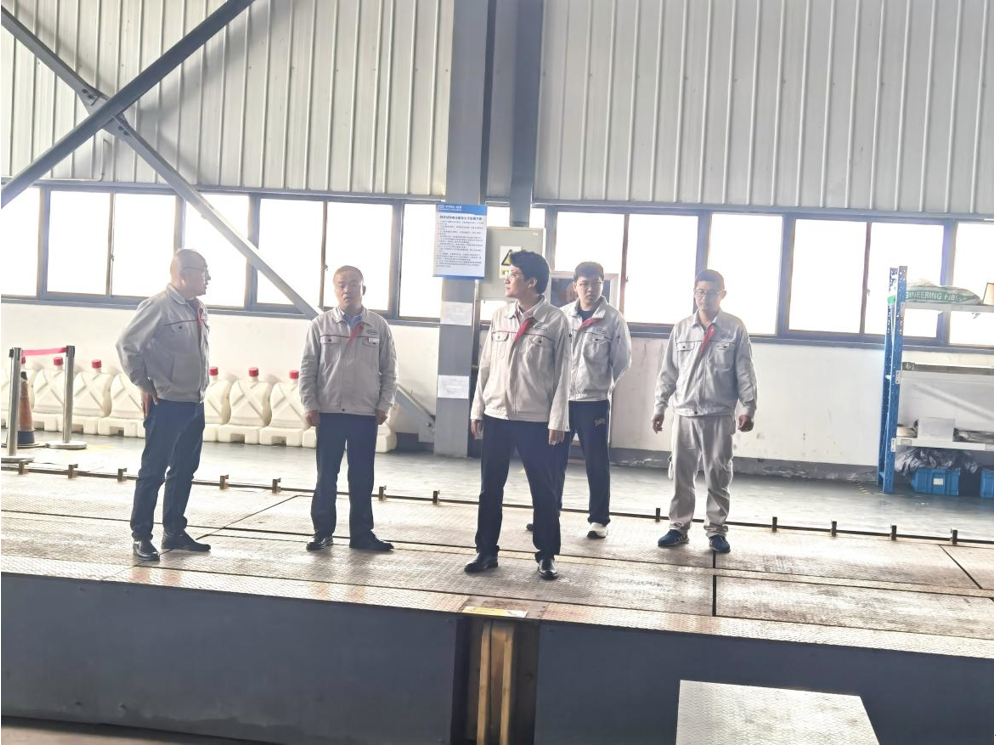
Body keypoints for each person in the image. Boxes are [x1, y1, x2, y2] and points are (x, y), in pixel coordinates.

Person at [466, 250, 571, 580]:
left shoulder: (555, 320)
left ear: (532, 282)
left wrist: (558, 420)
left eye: (513, 274)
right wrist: (478, 409)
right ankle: (486, 551)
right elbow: (486, 367)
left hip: (535, 419)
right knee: (490, 488)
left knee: (544, 489)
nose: (507, 279)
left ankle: (547, 554)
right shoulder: (500, 316)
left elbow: (564, 374)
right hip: (497, 414)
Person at [651, 269, 757, 554]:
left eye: (711, 292)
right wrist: (660, 406)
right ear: (694, 293)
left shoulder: (734, 328)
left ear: (722, 295)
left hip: (718, 413)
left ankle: (716, 530)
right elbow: (668, 372)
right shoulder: (682, 328)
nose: (704, 297)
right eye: (700, 292)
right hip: (685, 412)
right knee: (681, 473)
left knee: (717, 473)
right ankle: (678, 527)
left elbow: (745, 371)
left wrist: (748, 407)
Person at [117, 249, 212, 561]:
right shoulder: (158, 306)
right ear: (183, 274)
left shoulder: (198, 307)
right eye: (203, 271)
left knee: (184, 470)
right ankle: (141, 536)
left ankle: (174, 530)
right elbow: (127, 345)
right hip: (167, 402)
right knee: (154, 471)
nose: (208, 278)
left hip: (194, 402)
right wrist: (144, 383)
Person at [300, 266, 398, 553]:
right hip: (329, 412)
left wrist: (384, 404)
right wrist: (310, 404)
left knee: (362, 478)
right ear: (334, 289)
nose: (347, 289)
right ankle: (322, 533)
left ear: (363, 289)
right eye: (341, 284)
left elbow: (389, 370)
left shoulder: (378, 326)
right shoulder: (320, 325)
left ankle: (362, 534)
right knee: (326, 476)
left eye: (353, 284)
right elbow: (308, 368)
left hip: (364, 413)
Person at [550, 261, 631, 539]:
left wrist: (601, 385)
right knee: (553, 460)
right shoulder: (561, 316)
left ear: (602, 285)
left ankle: (599, 520)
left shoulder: (613, 319)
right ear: (575, 286)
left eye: (595, 283)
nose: (590, 289)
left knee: (596, 462)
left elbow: (622, 361)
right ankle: (549, 513)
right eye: (584, 284)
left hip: (594, 402)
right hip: (562, 401)